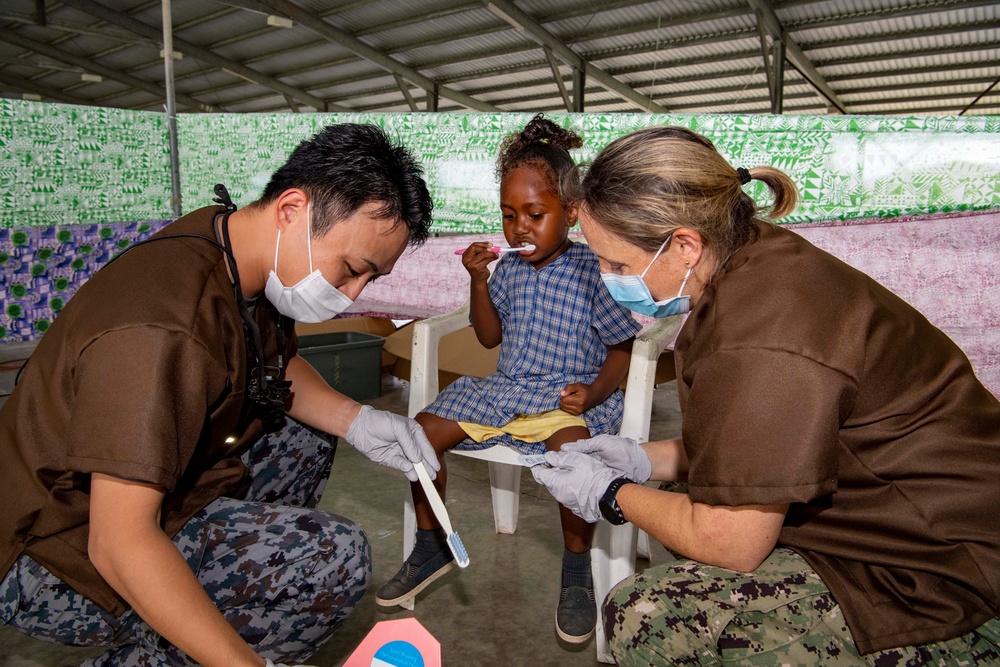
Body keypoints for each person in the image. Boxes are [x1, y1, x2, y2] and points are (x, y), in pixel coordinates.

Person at [532, 125, 1000, 665]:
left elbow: (731, 543)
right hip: (898, 507)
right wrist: (642, 458)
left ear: (684, 245)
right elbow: (747, 444)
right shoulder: (750, 258)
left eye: (616, 264)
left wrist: (611, 492)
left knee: (648, 617)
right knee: (687, 495)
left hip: (951, 566)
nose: (607, 276)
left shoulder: (761, 338)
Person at [0, 123, 442, 667]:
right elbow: (116, 541)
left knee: (305, 433)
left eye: (368, 281)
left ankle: (205, 603)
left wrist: (357, 420)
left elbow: (270, 365)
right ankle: (175, 638)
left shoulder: (239, 250)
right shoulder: (160, 329)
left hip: (151, 490)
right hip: (53, 544)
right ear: (291, 209)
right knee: (332, 559)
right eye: (351, 269)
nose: (352, 294)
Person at [375, 115, 641, 644]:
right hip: (508, 389)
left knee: (575, 456)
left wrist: (594, 394)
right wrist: (479, 280)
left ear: (571, 212)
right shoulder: (509, 269)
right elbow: (489, 336)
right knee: (419, 435)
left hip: (570, 396)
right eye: (509, 215)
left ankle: (575, 566)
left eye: (535, 214)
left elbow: (622, 349)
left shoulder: (593, 270)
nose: (520, 227)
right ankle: (433, 542)